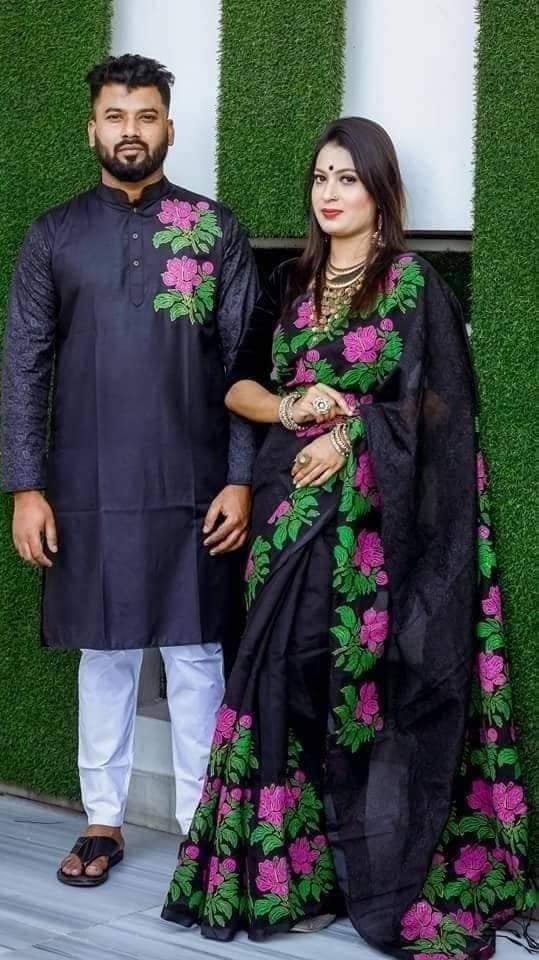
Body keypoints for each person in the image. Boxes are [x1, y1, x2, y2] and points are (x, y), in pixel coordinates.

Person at [161, 117, 534, 954]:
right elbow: (238, 387)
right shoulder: (290, 282)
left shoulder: (409, 286)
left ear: (379, 192)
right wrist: (292, 404)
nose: (329, 194)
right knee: (275, 671)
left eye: (347, 179)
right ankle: (285, 876)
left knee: (349, 686)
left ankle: (361, 867)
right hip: (281, 513)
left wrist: (354, 432)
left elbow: (440, 410)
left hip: (369, 531)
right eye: (320, 177)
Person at [1, 54, 258, 886]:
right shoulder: (53, 235)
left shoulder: (214, 230)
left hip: (195, 482)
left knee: (194, 654)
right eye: (115, 116)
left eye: (145, 115)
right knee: (105, 654)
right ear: (92, 129)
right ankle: (102, 821)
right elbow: (24, 367)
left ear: (168, 127)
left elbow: (245, 364)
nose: (131, 131)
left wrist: (240, 478)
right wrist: (27, 488)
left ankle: (200, 829)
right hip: (88, 485)